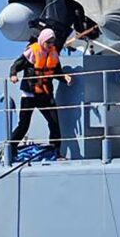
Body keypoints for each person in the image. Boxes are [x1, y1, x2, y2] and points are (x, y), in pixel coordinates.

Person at [9, 27, 73, 158]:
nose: (50, 45)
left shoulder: (53, 54)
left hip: (45, 94)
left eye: (52, 42)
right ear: (42, 40)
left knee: (54, 123)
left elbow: (56, 72)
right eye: (48, 42)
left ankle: (56, 151)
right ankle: (10, 148)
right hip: (30, 94)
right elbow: (17, 65)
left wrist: (64, 78)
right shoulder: (32, 52)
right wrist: (13, 75)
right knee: (23, 125)